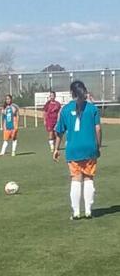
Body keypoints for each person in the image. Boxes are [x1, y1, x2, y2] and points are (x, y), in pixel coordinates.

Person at [54, 81, 102, 220]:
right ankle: (88, 210)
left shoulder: (65, 109)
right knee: (88, 178)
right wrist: (98, 146)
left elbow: (59, 131)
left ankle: (76, 212)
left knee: (75, 179)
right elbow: (98, 129)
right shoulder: (92, 109)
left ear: (72, 93)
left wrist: (56, 149)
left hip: (73, 149)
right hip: (89, 148)